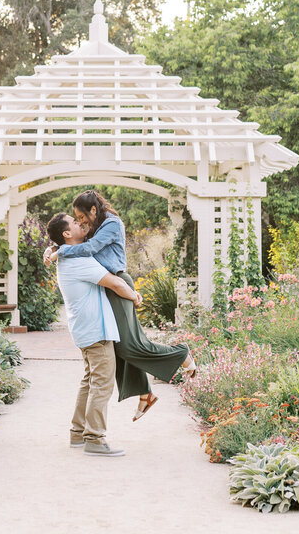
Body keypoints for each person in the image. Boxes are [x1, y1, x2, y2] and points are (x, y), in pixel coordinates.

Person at [45, 190, 196, 421]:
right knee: (120, 345)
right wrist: (53, 248)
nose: (81, 222)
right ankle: (145, 393)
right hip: (108, 286)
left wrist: (60, 251)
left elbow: (89, 248)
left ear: (92, 210)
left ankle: (181, 353)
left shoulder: (112, 224)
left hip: (117, 283)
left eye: (81, 216)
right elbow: (75, 240)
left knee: (130, 345)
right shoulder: (94, 227)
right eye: (76, 219)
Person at [47, 212, 142, 457]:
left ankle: (78, 433)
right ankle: (94, 438)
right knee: (102, 384)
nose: (81, 223)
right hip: (95, 330)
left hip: (85, 328)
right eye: (75, 222)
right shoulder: (78, 261)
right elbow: (115, 283)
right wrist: (135, 296)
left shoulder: (68, 257)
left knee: (90, 381)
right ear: (67, 234)